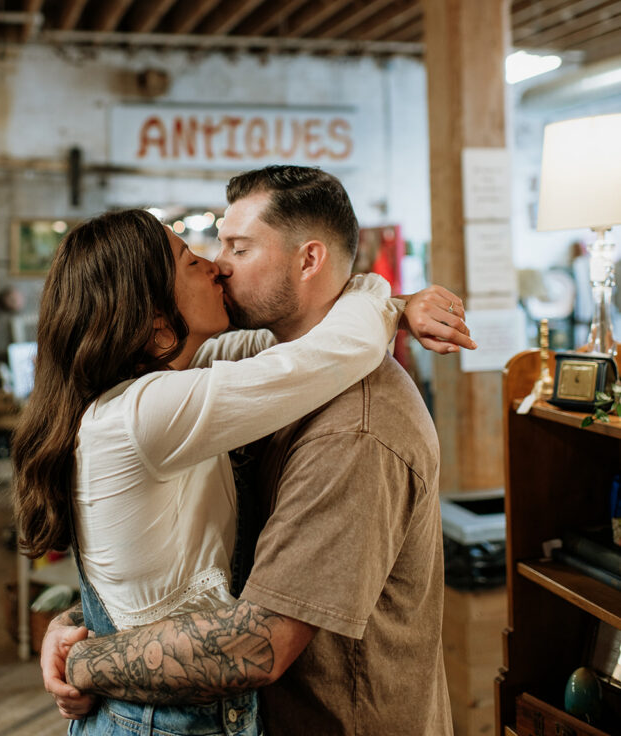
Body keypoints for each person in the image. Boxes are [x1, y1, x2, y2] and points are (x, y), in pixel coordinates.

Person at [45, 168, 474, 735]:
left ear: (308, 260)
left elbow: (256, 644)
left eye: (237, 248)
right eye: (207, 251)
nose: (217, 263)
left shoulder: (353, 426)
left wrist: (82, 657)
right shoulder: (203, 388)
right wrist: (82, 620)